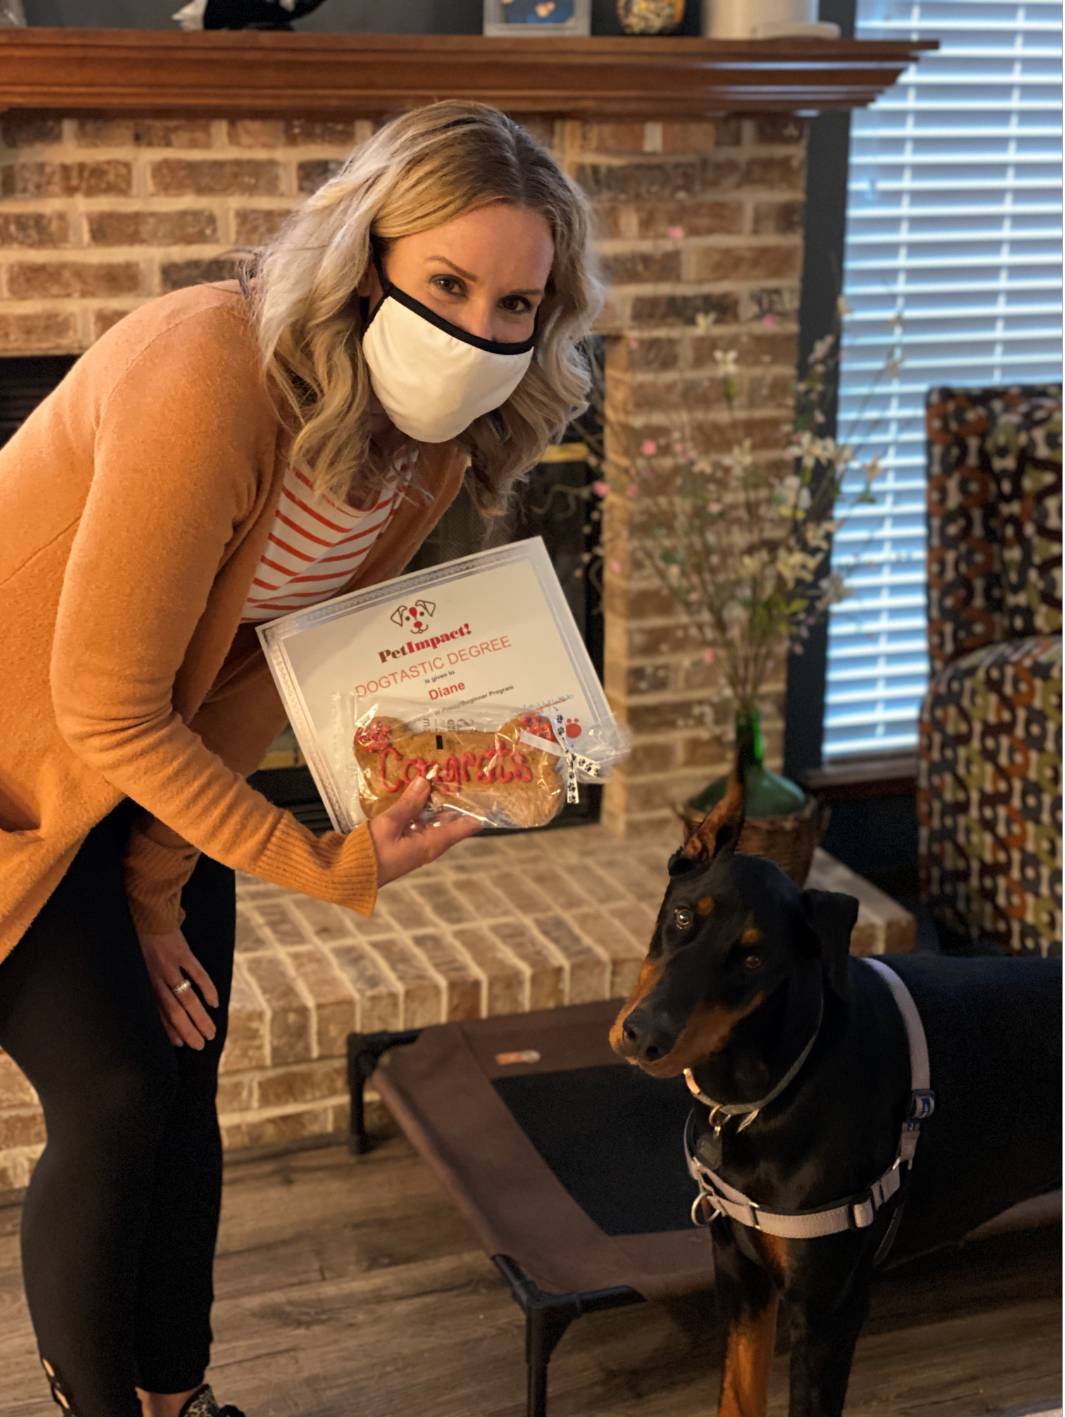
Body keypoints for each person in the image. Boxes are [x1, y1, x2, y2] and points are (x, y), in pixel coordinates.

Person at [0, 100, 600, 1417]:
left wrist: (157, 890)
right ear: (363, 256)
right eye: (447, 283)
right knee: (114, 1091)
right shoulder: (207, 370)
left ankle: (177, 1398)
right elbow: (103, 704)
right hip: (19, 774)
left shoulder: (424, 455)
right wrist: (323, 862)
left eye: (516, 304)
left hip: (142, 764)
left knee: (185, 1077)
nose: (480, 331)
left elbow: (249, 672)